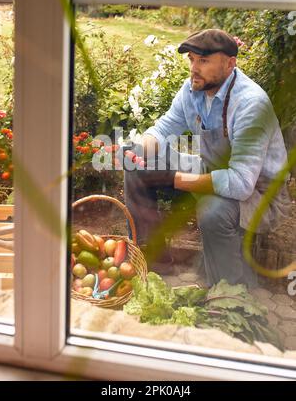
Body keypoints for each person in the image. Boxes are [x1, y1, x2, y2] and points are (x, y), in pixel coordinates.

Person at [124, 29, 291, 288]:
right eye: (191, 59)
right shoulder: (193, 90)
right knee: (136, 168)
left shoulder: (250, 105)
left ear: (229, 64)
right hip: (211, 170)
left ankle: (232, 294)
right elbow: (165, 128)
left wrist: (175, 179)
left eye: (203, 61)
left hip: (260, 195)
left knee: (212, 210)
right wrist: (139, 149)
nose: (194, 68)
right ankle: (155, 262)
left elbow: (240, 184)